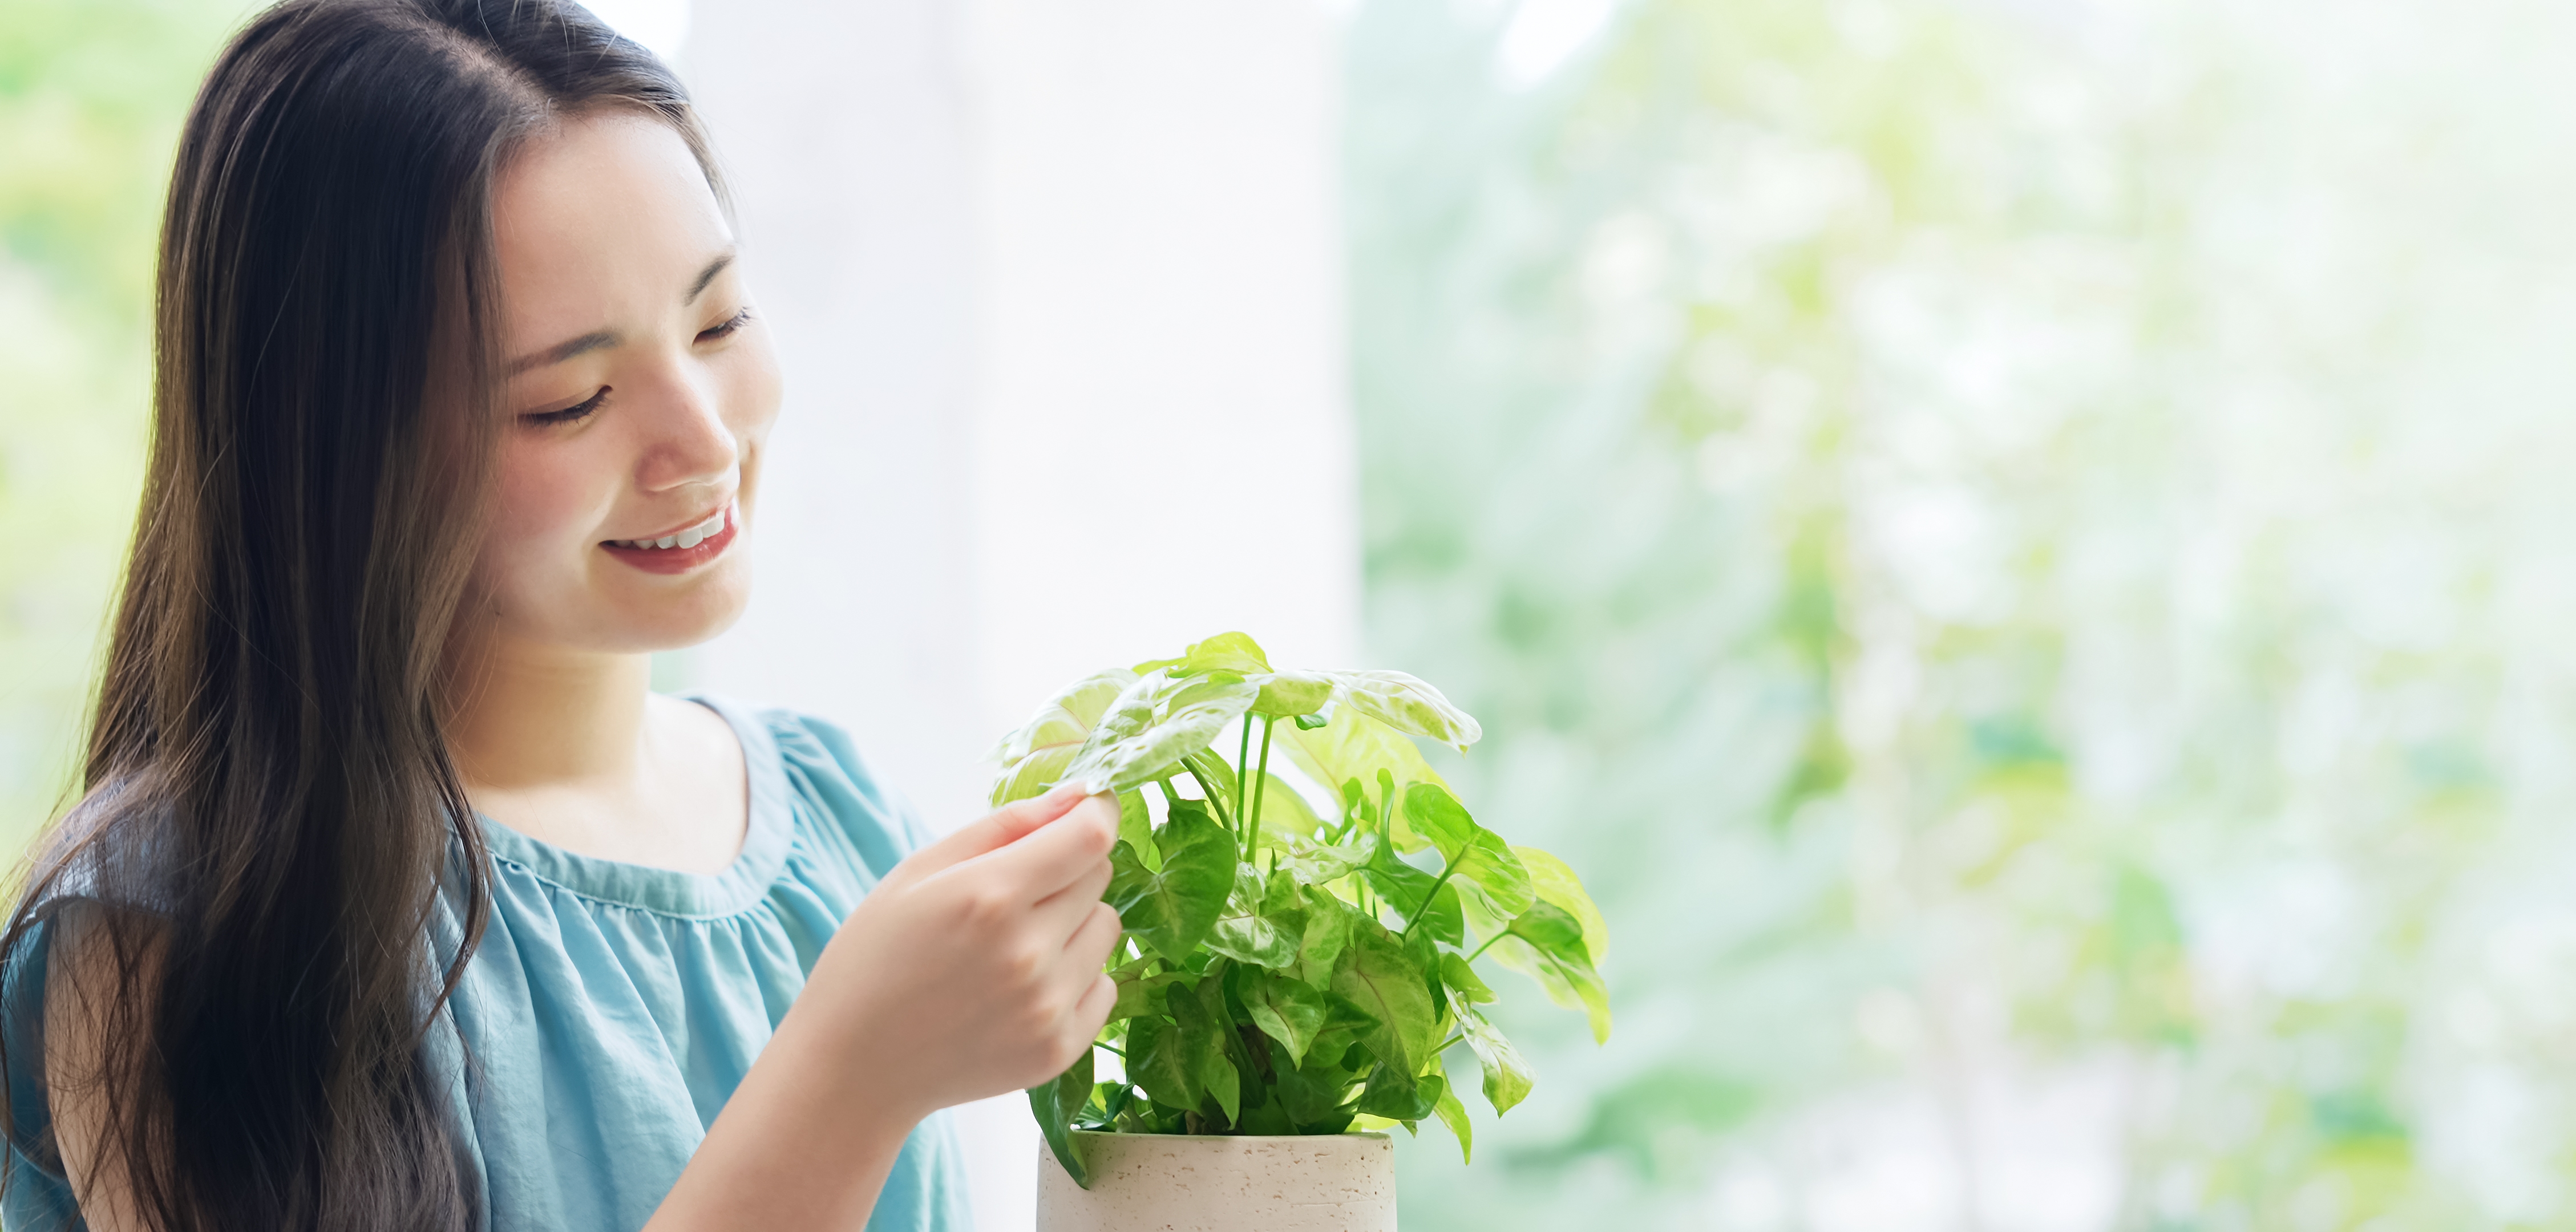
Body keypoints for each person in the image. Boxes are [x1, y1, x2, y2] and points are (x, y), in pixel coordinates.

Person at [0, 1, 1123, 1228]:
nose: (701, 440)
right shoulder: (178, 924)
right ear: (334, 459)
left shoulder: (835, 816)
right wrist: (849, 1082)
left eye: (720, 320)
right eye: (571, 401)